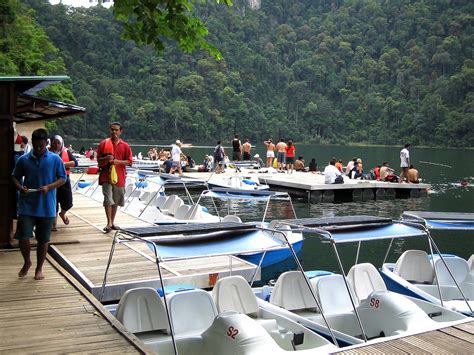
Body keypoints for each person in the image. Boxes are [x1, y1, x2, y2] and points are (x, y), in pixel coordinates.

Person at [12, 128, 66, 280]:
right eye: (35, 146)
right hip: (27, 204)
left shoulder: (55, 159)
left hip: (47, 206)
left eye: (41, 146)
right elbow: (15, 177)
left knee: (43, 239)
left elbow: (63, 178)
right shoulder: (24, 159)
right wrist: (20, 187)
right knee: (23, 236)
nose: (38, 149)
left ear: (46, 143)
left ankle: (39, 268)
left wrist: (49, 187)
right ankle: (27, 261)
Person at [97, 122, 133, 233]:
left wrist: (117, 162)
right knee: (108, 199)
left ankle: (112, 222)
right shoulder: (104, 144)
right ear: (110, 130)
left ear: (120, 132)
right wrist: (106, 158)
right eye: (112, 129)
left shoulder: (125, 146)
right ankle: (108, 223)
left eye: (116, 130)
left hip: (120, 177)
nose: (114, 132)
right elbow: (98, 160)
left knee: (116, 201)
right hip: (106, 176)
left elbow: (130, 161)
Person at [50, 135, 78, 231]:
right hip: (52, 180)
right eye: (54, 143)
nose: (56, 145)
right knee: (54, 202)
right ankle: (54, 224)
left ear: (61, 143)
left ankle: (63, 213)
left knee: (68, 202)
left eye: (58, 143)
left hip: (64, 180)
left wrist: (63, 164)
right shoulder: (48, 152)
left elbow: (75, 163)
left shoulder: (66, 152)